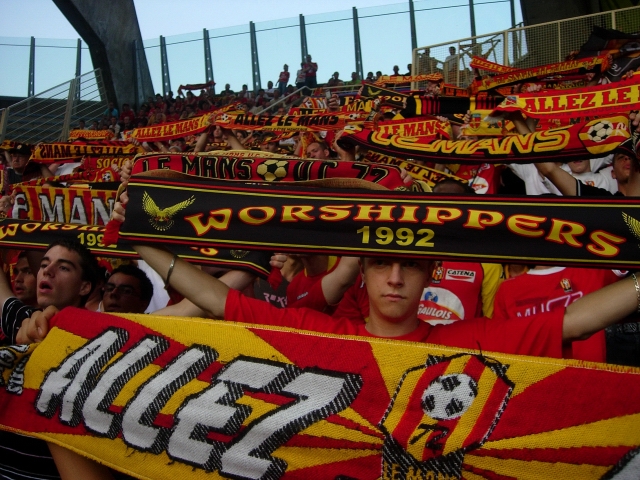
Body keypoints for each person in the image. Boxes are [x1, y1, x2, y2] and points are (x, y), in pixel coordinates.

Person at [0, 240, 100, 480]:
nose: (47, 271)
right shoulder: (23, 320)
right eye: (44, 265)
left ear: (84, 286)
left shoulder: (101, 341)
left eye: (63, 267)